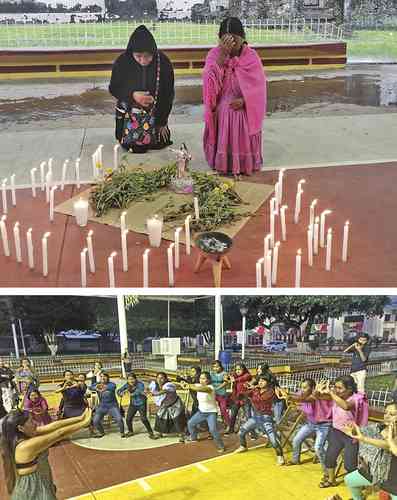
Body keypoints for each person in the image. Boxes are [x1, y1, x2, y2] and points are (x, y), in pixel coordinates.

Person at [203, 17, 266, 176]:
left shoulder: (251, 57)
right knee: (225, 110)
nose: (231, 45)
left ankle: (243, 162)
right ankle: (225, 162)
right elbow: (209, 87)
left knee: (237, 115)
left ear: (243, 37)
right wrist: (221, 58)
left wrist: (245, 100)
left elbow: (259, 89)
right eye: (226, 41)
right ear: (220, 39)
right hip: (222, 103)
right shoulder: (214, 54)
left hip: (245, 104)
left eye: (234, 40)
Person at [109, 24, 174, 153]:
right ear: (131, 52)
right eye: (138, 56)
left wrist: (162, 122)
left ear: (153, 52)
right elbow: (114, 88)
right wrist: (132, 95)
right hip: (129, 116)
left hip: (155, 116)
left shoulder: (163, 62)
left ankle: (157, 129)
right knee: (133, 145)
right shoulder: (123, 62)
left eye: (147, 56)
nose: (143, 61)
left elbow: (168, 94)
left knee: (159, 141)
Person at [0, 407, 91, 499]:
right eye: (31, 421)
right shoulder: (25, 446)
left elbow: (54, 426)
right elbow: (59, 434)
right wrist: (84, 423)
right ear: (21, 428)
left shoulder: (24, 435)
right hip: (32, 488)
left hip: (39, 478)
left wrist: (80, 418)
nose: (35, 424)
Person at [315, 376, 369, 488]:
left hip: (351, 435)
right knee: (329, 457)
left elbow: (346, 406)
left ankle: (356, 485)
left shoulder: (357, 398)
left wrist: (331, 393)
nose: (336, 390)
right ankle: (331, 480)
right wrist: (318, 390)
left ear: (349, 389)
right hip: (336, 432)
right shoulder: (337, 396)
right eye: (335, 387)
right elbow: (318, 396)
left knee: (350, 464)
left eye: (339, 388)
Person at [341, 400, 397, 500]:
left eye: (392, 414)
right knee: (349, 480)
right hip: (376, 473)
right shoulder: (380, 427)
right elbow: (364, 431)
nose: (387, 416)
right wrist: (353, 430)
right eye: (386, 413)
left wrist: (364, 439)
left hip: (394, 480)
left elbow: (389, 446)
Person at [278, 379, 332, 471]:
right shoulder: (303, 394)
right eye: (301, 387)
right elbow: (298, 396)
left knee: (318, 448)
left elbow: (307, 399)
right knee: (296, 440)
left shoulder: (320, 395)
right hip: (311, 424)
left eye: (305, 387)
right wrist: (286, 394)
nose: (302, 390)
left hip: (324, 426)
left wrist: (289, 397)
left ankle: (327, 471)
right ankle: (295, 460)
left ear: (313, 388)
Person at [235, 375, 285, 465]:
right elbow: (244, 394)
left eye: (263, 381)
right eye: (259, 381)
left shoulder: (271, 392)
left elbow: (261, 399)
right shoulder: (256, 390)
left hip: (266, 418)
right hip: (256, 417)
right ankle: (243, 446)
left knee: (273, 440)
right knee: (241, 431)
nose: (260, 382)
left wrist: (251, 393)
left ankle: (280, 456)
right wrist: (243, 392)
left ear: (268, 382)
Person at [181, 371, 225, 453]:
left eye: (204, 378)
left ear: (208, 380)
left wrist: (189, 386)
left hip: (211, 413)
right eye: (200, 378)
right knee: (190, 423)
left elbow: (201, 389)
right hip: (201, 412)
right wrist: (184, 383)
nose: (201, 380)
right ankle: (193, 438)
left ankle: (221, 446)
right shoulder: (198, 385)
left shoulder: (210, 388)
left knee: (213, 430)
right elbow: (194, 385)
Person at [149, 372, 186, 442]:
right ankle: (159, 433)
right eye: (158, 378)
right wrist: (147, 391)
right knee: (160, 416)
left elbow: (163, 391)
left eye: (162, 378)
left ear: (165, 379)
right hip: (165, 405)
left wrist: (154, 393)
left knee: (176, 418)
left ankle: (182, 435)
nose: (159, 380)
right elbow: (150, 389)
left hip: (175, 404)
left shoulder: (169, 385)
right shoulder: (155, 385)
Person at [117, 372, 156, 439]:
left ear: (135, 379)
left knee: (143, 419)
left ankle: (151, 432)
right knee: (128, 419)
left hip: (141, 403)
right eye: (129, 379)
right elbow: (119, 390)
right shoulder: (127, 384)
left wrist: (129, 393)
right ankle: (130, 431)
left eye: (132, 379)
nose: (131, 381)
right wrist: (120, 393)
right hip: (133, 404)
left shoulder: (140, 384)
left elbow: (138, 391)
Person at [90, 373, 126, 438]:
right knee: (95, 421)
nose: (103, 378)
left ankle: (122, 432)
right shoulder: (97, 384)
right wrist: (96, 387)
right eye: (101, 376)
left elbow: (112, 387)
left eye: (104, 376)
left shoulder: (112, 384)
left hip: (112, 406)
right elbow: (90, 387)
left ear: (108, 378)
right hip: (102, 406)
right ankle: (102, 432)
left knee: (119, 419)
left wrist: (101, 387)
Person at [226, 362, 253, 435]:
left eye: (239, 369)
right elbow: (231, 384)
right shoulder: (234, 377)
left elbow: (246, 377)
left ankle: (252, 432)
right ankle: (231, 429)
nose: (237, 371)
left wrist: (235, 380)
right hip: (236, 399)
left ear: (243, 370)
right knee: (233, 415)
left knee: (248, 416)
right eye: (236, 369)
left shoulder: (247, 375)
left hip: (245, 399)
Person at [210, 360, 230, 428]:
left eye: (217, 367)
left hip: (221, 394)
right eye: (214, 367)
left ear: (221, 367)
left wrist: (217, 388)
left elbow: (225, 382)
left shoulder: (224, 373)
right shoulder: (211, 373)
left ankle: (228, 423)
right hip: (213, 394)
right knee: (211, 409)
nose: (216, 368)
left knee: (223, 409)